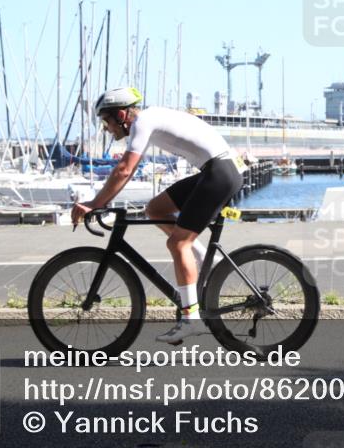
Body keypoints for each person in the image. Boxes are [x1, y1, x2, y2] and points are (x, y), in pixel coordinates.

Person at [71, 87, 244, 343]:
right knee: (155, 209)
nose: (107, 128)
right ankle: (202, 259)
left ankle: (191, 318)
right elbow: (128, 170)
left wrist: (95, 203)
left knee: (177, 242)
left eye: (106, 121)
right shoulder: (148, 120)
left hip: (219, 173)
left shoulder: (143, 121)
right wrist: (100, 201)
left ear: (121, 115)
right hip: (215, 171)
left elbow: (124, 170)